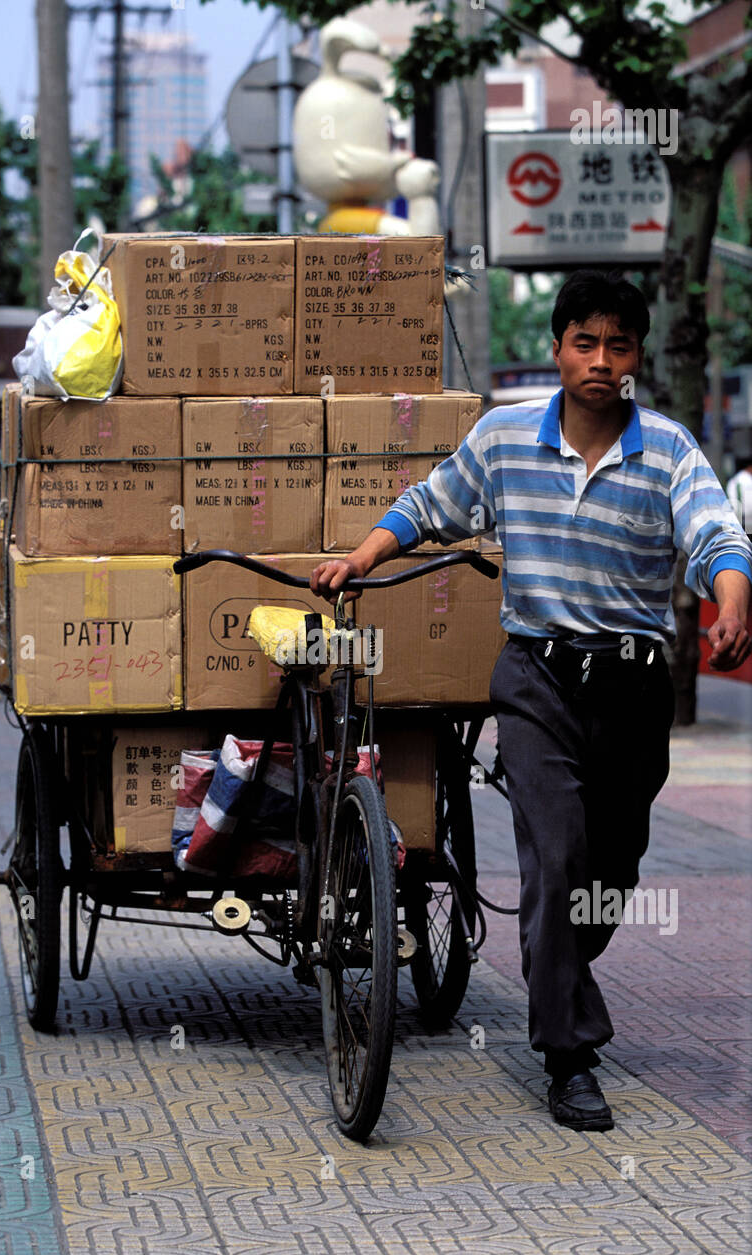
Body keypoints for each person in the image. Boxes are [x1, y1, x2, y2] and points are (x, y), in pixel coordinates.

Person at [310, 269, 752, 1132]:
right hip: (536, 679)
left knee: (609, 867)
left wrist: (731, 602)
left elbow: (714, 534)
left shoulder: (666, 449)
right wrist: (361, 558)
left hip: (630, 689)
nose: (598, 360)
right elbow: (429, 504)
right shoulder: (504, 437)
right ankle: (568, 1053)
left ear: (635, 357)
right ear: (556, 350)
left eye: (616, 345)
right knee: (554, 858)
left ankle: (555, 958)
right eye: (582, 342)